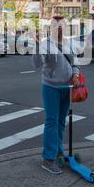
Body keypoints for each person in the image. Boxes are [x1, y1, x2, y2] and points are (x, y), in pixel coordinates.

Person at [32, 16, 80, 175]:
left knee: (61, 121)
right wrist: (37, 47)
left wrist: (75, 74)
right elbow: (37, 64)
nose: (59, 28)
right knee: (52, 121)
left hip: (67, 87)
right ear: (51, 28)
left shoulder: (69, 43)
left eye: (61, 26)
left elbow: (74, 63)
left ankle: (58, 151)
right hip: (51, 87)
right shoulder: (46, 44)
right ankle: (48, 159)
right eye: (56, 26)